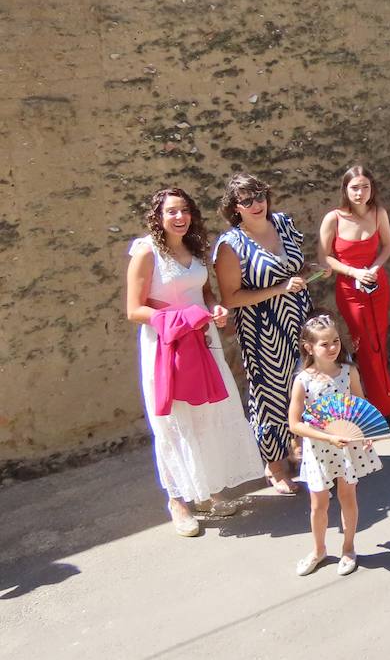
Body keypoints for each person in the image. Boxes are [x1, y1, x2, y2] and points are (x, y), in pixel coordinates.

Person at [127, 188, 260, 537]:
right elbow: (134, 309)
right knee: (172, 422)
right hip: (166, 345)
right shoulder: (146, 253)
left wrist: (214, 307)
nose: (179, 217)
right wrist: (182, 317)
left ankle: (210, 490)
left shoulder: (196, 246)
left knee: (207, 415)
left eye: (184, 210)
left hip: (202, 340)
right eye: (171, 211)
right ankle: (178, 502)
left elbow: (204, 292)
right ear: (157, 216)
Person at [212, 173, 311, 495]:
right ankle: (275, 465)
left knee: (303, 385)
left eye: (259, 197)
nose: (256, 205)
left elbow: (298, 265)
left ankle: (298, 445)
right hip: (262, 328)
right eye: (246, 201)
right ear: (234, 208)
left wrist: (307, 275)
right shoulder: (231, 245)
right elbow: (231, 298)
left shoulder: (283, 223)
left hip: (299, 317)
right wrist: (279, 289)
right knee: (270, 395)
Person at [287, 315, 381, 578]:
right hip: (319, 449)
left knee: (347, 496)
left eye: (336, 341)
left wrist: (365, 431)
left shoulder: (348, 371)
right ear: (309, 347)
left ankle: (349, 548)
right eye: (324, 344)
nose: (332, 348)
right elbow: (295, 424)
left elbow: (360, 406)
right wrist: (327, 437)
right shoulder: (303, 381)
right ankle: (318, 550)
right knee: (318, 504)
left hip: (346, 447)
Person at [318, 166, 390, 425]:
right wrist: (354, 272)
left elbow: (388, 246)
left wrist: (375, 269)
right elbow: (324, 258)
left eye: (365, 187)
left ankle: (386, 401)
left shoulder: (379, 213)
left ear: (372, 189)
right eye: (354, 187)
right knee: (366, 345)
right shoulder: (333, 219)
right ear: (345, 190)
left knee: (379, 343)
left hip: (377, 285)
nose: (360, 193)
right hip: (349, 290)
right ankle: (384, 405)